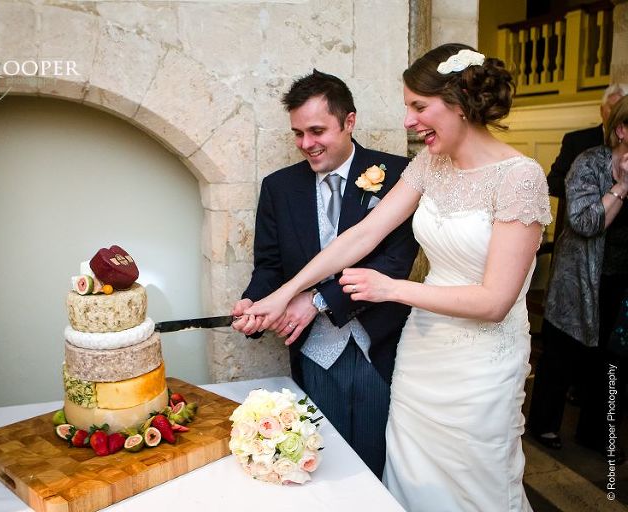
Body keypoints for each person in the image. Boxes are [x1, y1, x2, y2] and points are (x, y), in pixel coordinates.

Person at [245, 44, 551, 511]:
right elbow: (362, 235)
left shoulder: (521, 178)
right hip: (421, 351)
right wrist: (283, 294)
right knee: (408, 473)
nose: (408, 120)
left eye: (418, 106)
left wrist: (390, 288)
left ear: (460, 101)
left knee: (474, 479)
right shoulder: (431, 164)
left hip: (481, 362)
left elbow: (495, 300)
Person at [231, 70, 419, 478]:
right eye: (298, 133)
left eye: (317, 131)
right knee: (322, 464)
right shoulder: (279, 188)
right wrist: (256, 302)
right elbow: (269, 265)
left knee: (374, 464)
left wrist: (315, 301)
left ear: (349, 121)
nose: (306, 144)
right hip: (314, 354)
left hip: (379, 346)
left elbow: (392, 263)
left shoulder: (400, 175)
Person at [528, 96, 628, 463]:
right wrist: (621, 187)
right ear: (621, 130)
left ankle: (596, 431)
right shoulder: (589, 163)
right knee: (561, 354)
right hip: (578, 277)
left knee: (612, 360)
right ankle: (544, 424)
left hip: (620, 280)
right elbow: (585, 223)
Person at [547, 84, 627, 199]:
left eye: (621, 111)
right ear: (601, 110)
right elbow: (553, 182)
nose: (617, 115)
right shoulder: (576, 141)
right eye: (613, 108)